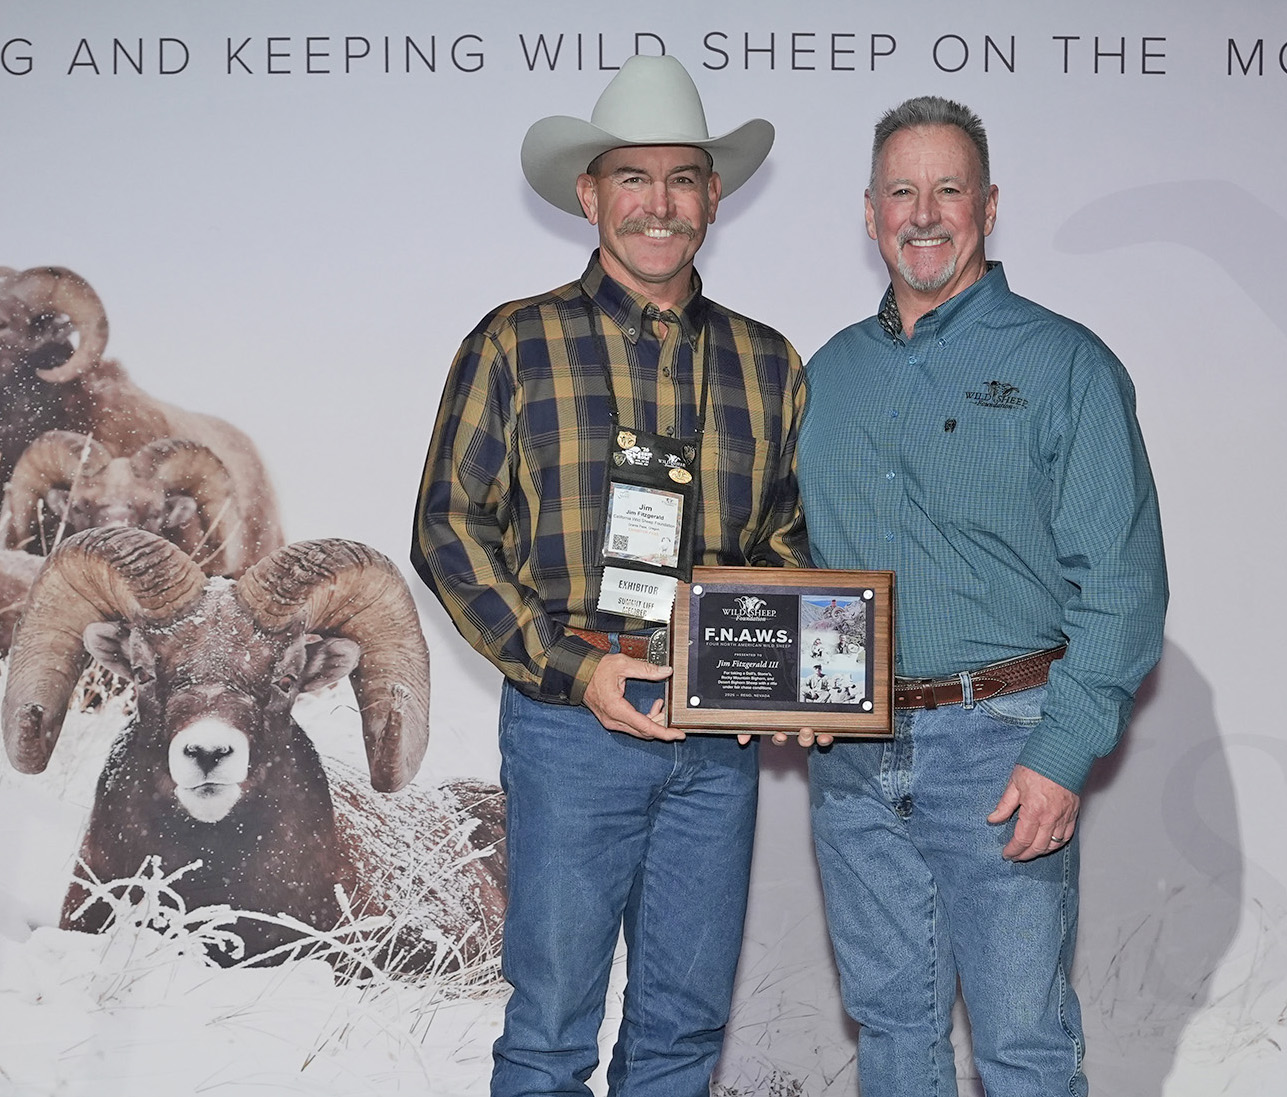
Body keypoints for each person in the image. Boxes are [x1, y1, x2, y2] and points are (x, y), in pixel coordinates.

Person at [410, 55, 805, 1097]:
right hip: (570, 726)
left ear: (713, 197)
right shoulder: (515, 342)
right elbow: (447, 527)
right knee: (549, 1029)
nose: (658, 204)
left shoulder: (769, 363)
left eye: (682, 179)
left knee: (683, 1027)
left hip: (713, 739)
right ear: (589, 195)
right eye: (633, 178)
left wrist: (765, 676)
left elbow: (787, 538)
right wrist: (576, 670)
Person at [796, 96, 1168, 1096]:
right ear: (869, 213)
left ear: (988, 207)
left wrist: (1060, 752)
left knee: (1021, 1044)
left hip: (1001, 746)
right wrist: (786, 683)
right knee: (890, 1033)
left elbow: (1123, 581)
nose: (924, 215)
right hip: (852, 761)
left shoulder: (1064, 363)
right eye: (901, 192)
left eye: (947, 190)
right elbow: (795, 559)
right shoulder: (826, 376)